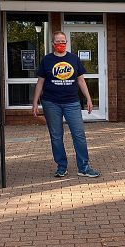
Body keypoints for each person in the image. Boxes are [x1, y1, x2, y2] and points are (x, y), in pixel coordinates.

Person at [31, 31, 101, 179]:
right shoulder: (47, 60)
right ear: (53, 43)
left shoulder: (73, 59)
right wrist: (35, 102)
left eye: (63, 41)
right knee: (56, 136)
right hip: (51, 103)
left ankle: (84, 167)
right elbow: (40, 83)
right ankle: (61, 166)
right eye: (58, 42)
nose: (61, 44)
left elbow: (81, 81)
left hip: (72, 103)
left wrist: (88, 99)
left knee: (79, 135)